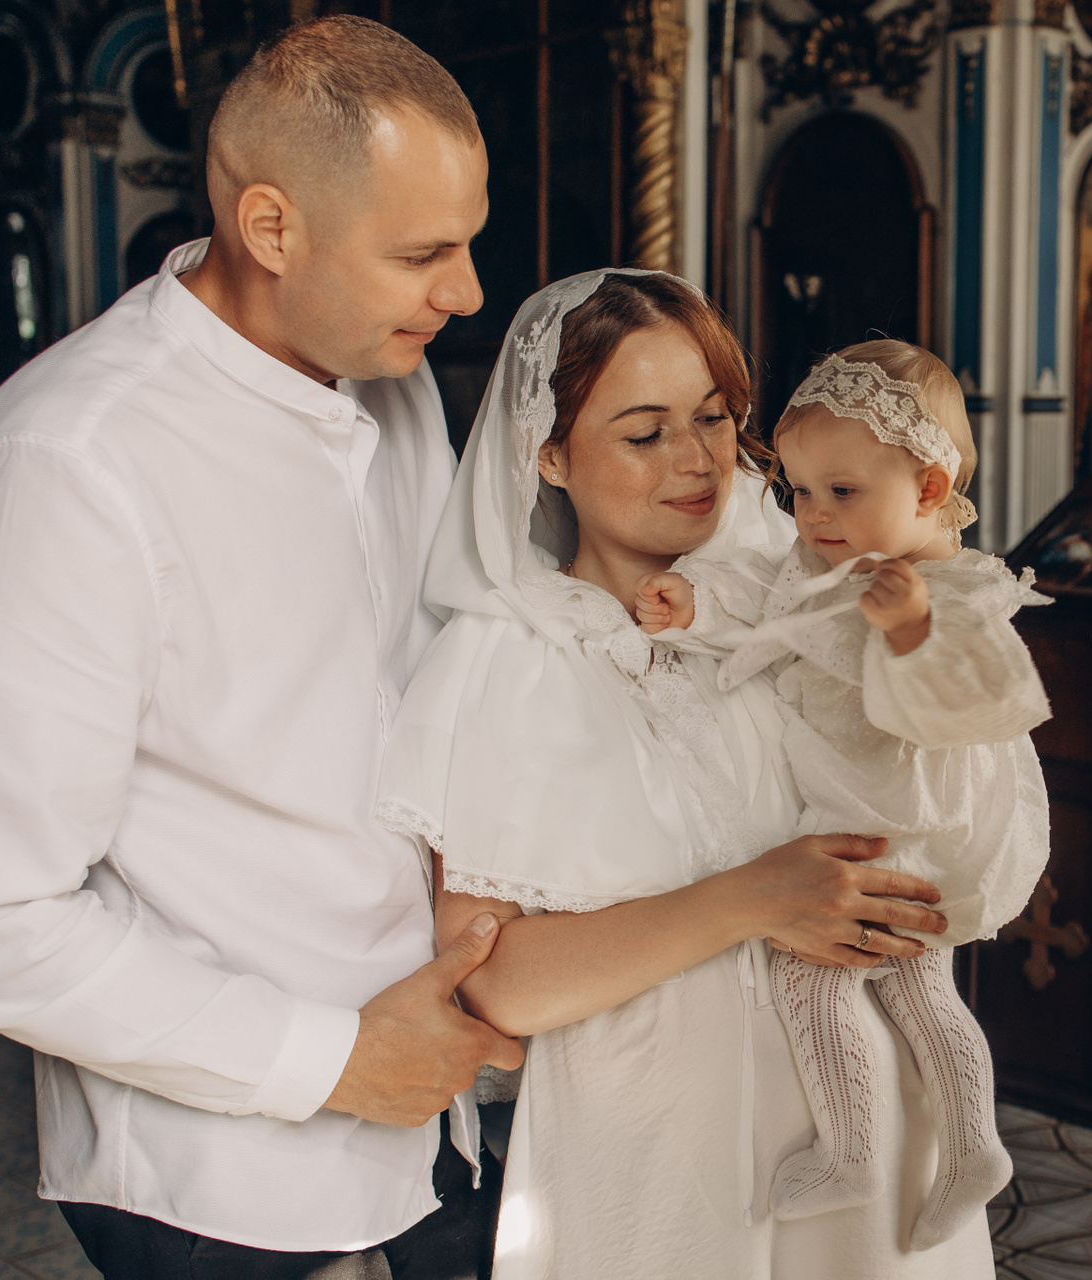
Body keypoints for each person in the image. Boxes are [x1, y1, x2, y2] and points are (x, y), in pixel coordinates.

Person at [0, 17, 519, 1278]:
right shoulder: (70, 462)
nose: (467, 293)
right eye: (421, 253)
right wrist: (333, 1058)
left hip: (437, 1110)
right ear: (271, 227)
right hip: (225, 1176)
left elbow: (431, 682)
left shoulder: (395, 385)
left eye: (468, 242)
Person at [375, 271, 994, 1277]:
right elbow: (490, 981)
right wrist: (750, 898)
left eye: (713, 417)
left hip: (877, 1129)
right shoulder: (510, 658)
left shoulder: (793, 603)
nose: (698, 460)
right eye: (644, 432)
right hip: (658, 1158)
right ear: (549, 452)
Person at [630, 341, 1052, 1250]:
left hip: (891, 822)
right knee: (922, 991)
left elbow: (986, 700)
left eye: (843, 492)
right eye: (799, 491)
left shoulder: (949, 589)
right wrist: (695, 608)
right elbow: (770, 603)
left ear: (930, 488)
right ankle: (973, 1148)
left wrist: (911, 631)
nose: (814, 515)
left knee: (810, 973)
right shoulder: (828, 556)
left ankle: (852, 1150)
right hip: (863, 812)